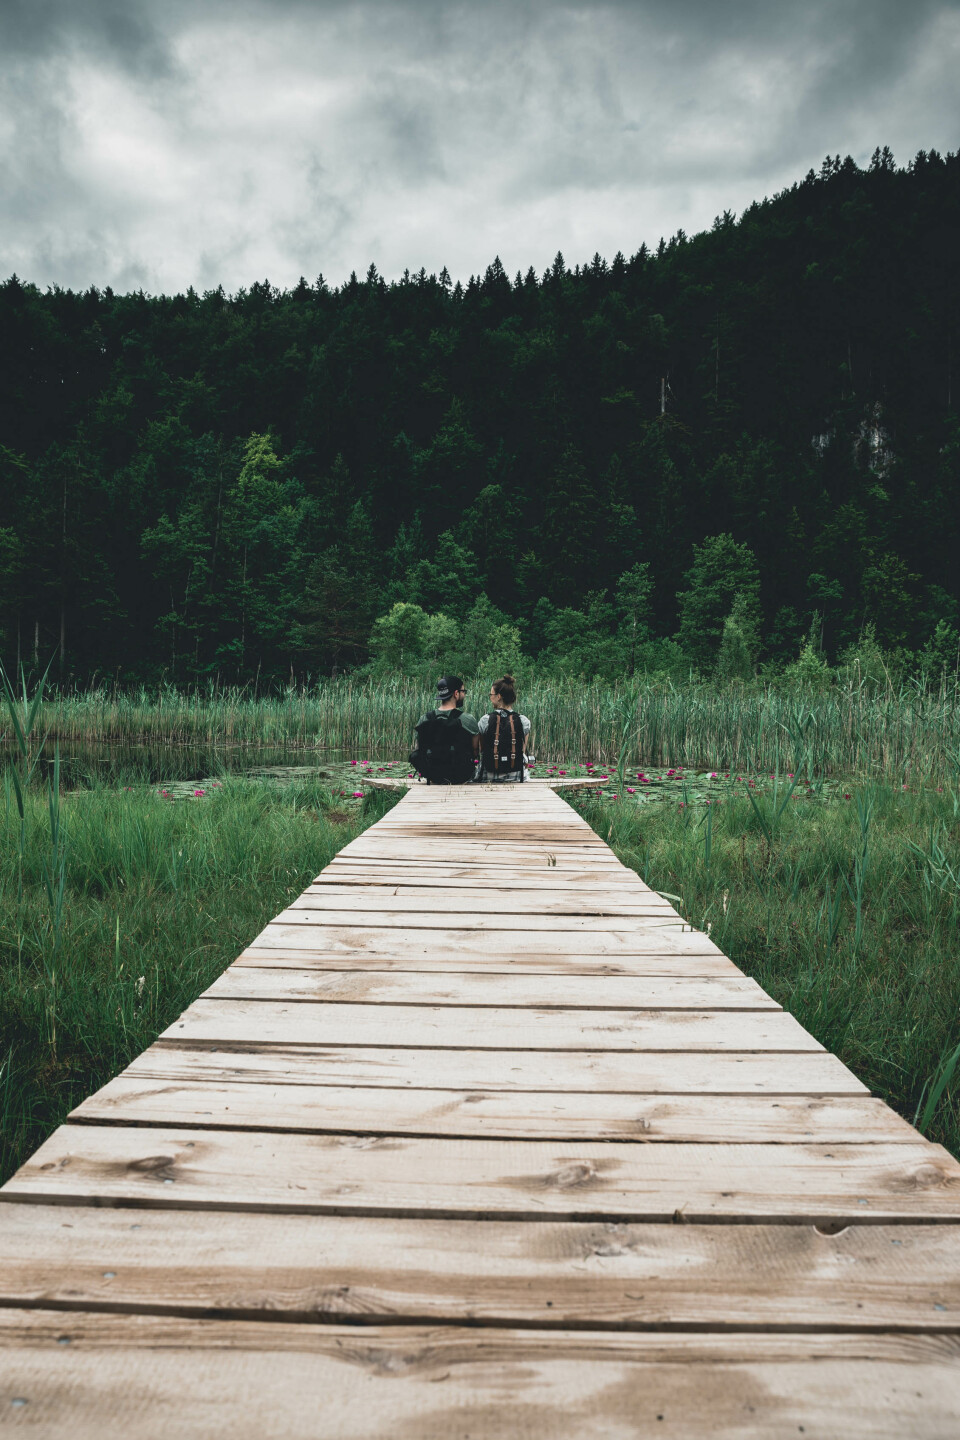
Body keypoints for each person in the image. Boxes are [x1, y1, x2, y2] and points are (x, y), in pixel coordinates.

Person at [409, 675, 480, 784]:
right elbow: (475, 751)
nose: (464, 694)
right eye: (463, 691)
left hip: (433, 776)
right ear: (456, 694)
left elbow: (418, 748)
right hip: (460, 776)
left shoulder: (424, 719)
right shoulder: (468, 719)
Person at [477, 674, 531, 782]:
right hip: (517, 776)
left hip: (489, 776)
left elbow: (482, 750)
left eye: (491, 694)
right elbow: (521, 751)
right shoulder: (524, 721)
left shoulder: (485, 720)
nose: (490, 697)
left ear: (498, 696)